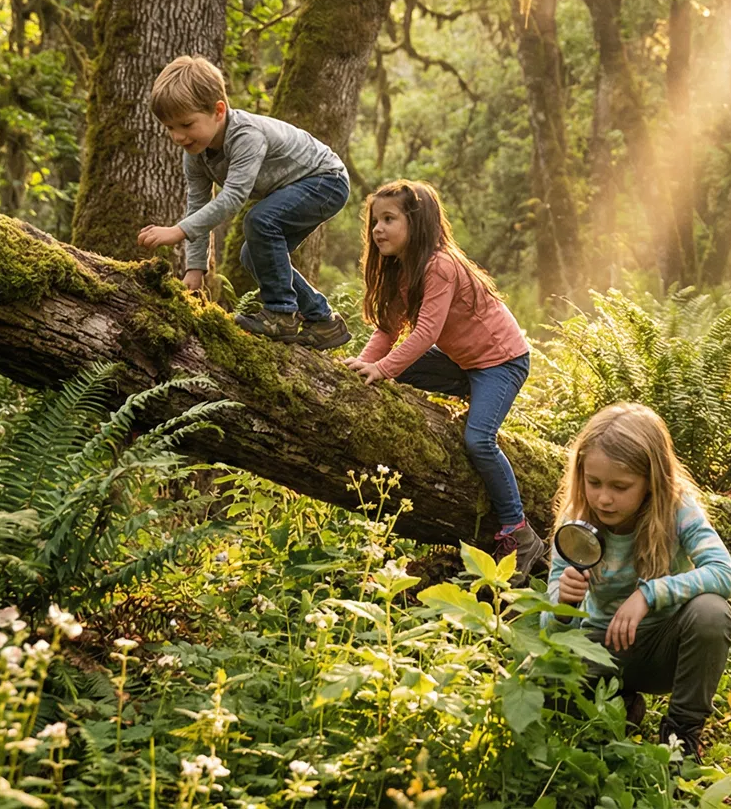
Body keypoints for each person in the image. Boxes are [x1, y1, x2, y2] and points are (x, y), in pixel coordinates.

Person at [343, 180, 545, 569]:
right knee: (396, 371)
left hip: (501, 362)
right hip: (464, 365)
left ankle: (519, 534)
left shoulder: (440, 265)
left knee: (479, 441)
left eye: (388, 219)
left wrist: (383, 369)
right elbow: (388, 329)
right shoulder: (401, 270)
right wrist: (361, 368)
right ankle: (469, 393)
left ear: (416, 224)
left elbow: (425, 334)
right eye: (374, 221)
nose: (377, 229)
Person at [545, 403, 731, 758]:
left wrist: (648, 595)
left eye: (621, 486)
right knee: (544, 684)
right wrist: (562, 605)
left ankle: (680, 735)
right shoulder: (575, 523)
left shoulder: (678, 510)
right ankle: (620, 707)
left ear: (651, 482)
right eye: (594, 483)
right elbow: (553, 630)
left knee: (711, 612)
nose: (604, 497)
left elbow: (724, 573)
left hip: (662, 648)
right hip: (599, 647)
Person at [135, 55, 351, 350]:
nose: (178, 136)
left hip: (326, 180)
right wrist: (195, 268)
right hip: (298, 187)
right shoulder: (195, 154)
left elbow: (233, 198)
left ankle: (280, 314)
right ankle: (323, 321)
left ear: (218, 111)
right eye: (169, 127)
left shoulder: (246, 135)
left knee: (259, 221)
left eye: (186, 124)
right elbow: (198, 204)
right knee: (253, 255)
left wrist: (177, 231)